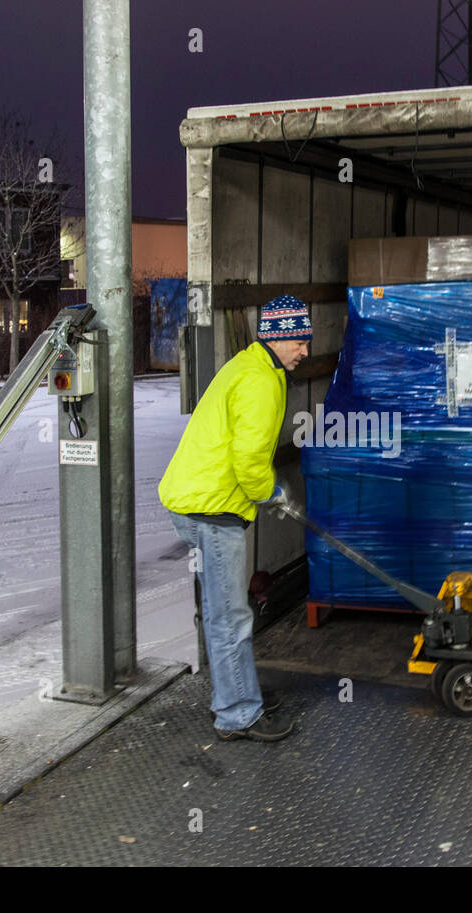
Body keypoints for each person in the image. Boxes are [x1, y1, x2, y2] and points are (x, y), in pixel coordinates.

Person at [158, 294, 312, 742]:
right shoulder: (261, 380)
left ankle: (236, 692)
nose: (305, 348)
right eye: (298, 339)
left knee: (221, 611)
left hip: (198, 501)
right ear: (278, 337)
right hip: (211, 509)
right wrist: (273, 493)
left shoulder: (255, 365)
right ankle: (238, 713)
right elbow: (247, 460)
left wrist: (268, 492)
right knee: (230, 617)